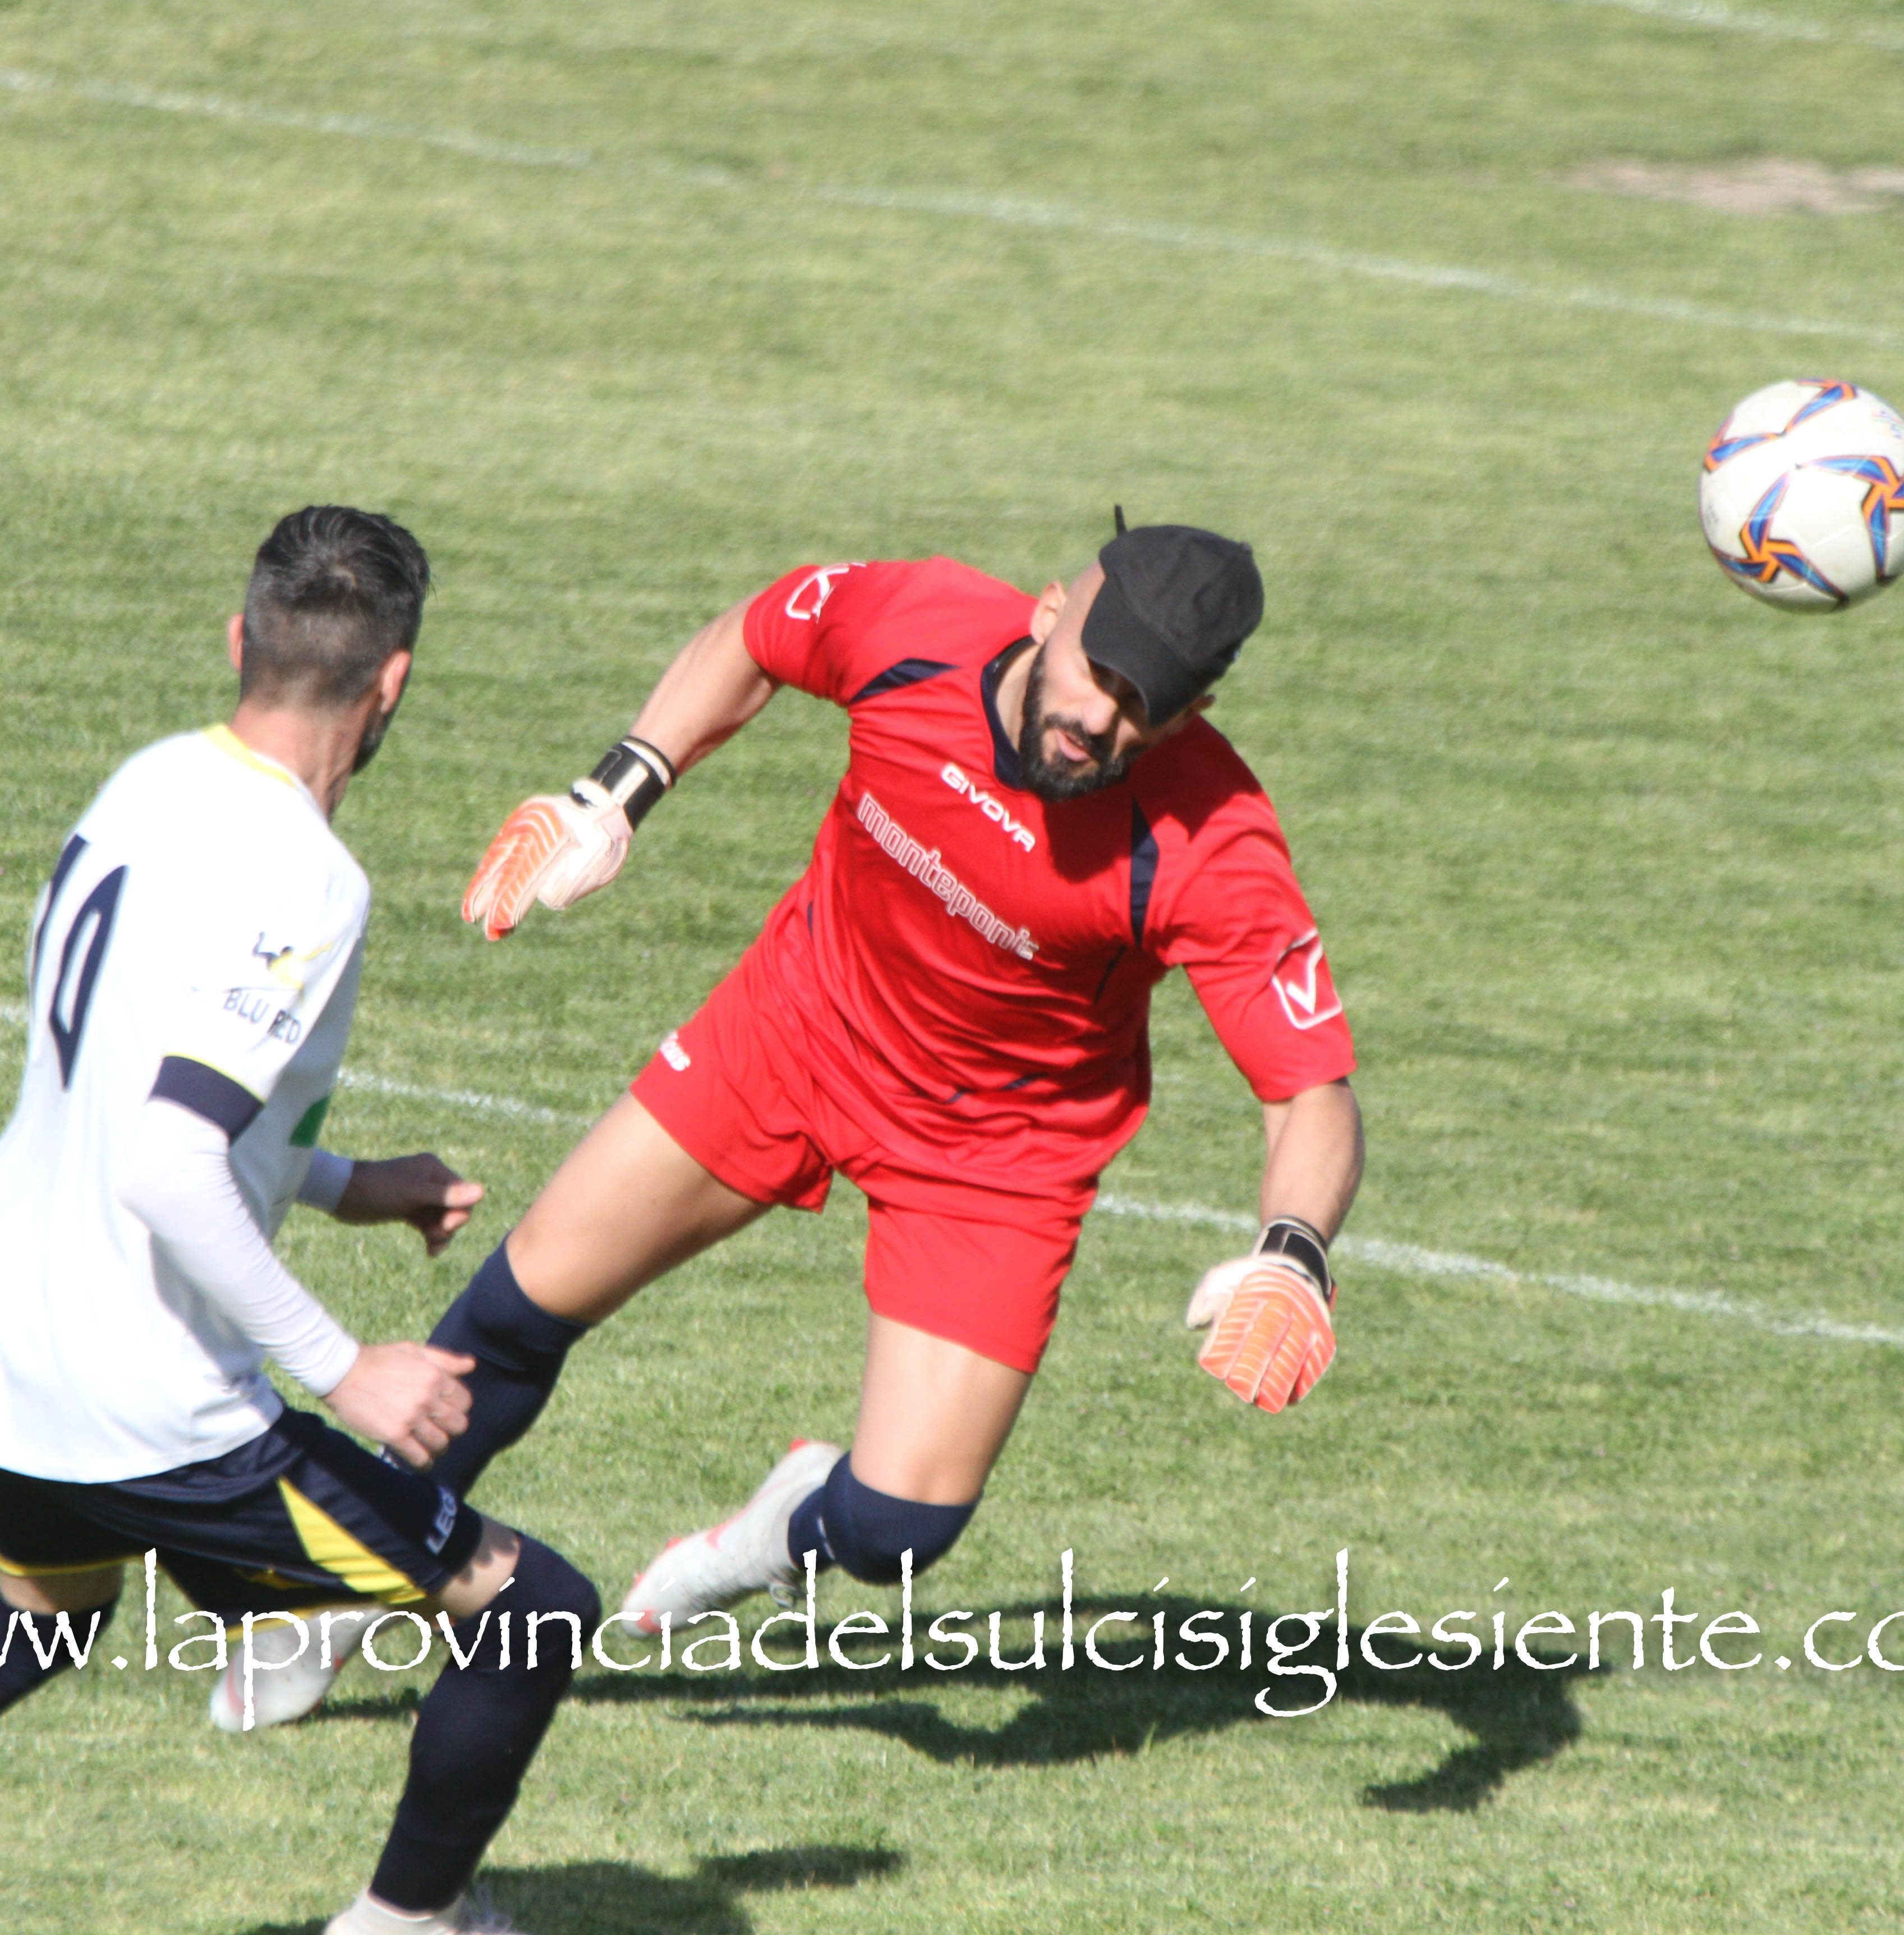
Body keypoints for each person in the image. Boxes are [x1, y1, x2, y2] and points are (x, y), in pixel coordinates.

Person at [0, 508, 596, 1935]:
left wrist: (343, 1181)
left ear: (239, 641)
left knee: (35, 1619)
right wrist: (347, 1366)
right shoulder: (308, 880)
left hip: (14, 1322)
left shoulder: (148, 782)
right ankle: (408, 1924)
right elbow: (164, 1159)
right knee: (534, 1610)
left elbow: (119, 1088)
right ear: (393, 682)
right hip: (147, 1387)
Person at [433, 514, 1362, 1638]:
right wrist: (614, 793)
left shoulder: (1214, 842)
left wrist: (1294, 1251)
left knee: (897, 1531)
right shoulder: (915, 625)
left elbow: (1310, 1091)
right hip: (794, 1031)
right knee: (519, 1309)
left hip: (994, 1156)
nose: (1098, 720)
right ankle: (338, 1582)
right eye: (1097, 674)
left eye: (1142, 707)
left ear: (1193, 712)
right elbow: (755, 637)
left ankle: (776, 1535)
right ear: (1049, 613)